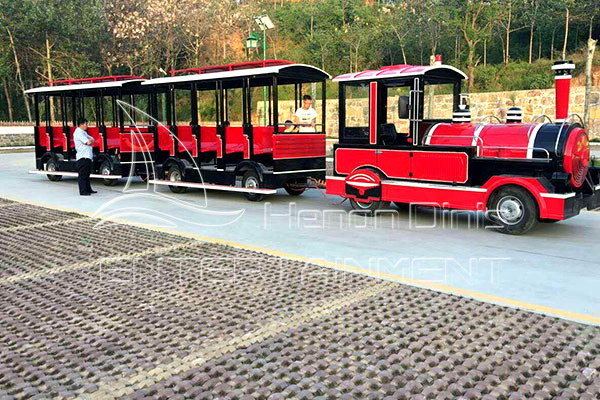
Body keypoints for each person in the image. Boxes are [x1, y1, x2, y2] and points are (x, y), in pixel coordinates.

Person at [73, 118, 96, 196]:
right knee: (83, 175)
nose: (87, 126)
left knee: (87, 174)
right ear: (81, 124)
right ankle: (83, 191)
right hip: (82, 157)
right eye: (86, 124)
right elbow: (88, 142)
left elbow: (93, 139)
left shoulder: (84, 133)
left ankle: (88, 189)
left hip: (87, 156)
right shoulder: (78, 132)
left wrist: (90, 141)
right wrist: (89, 142)